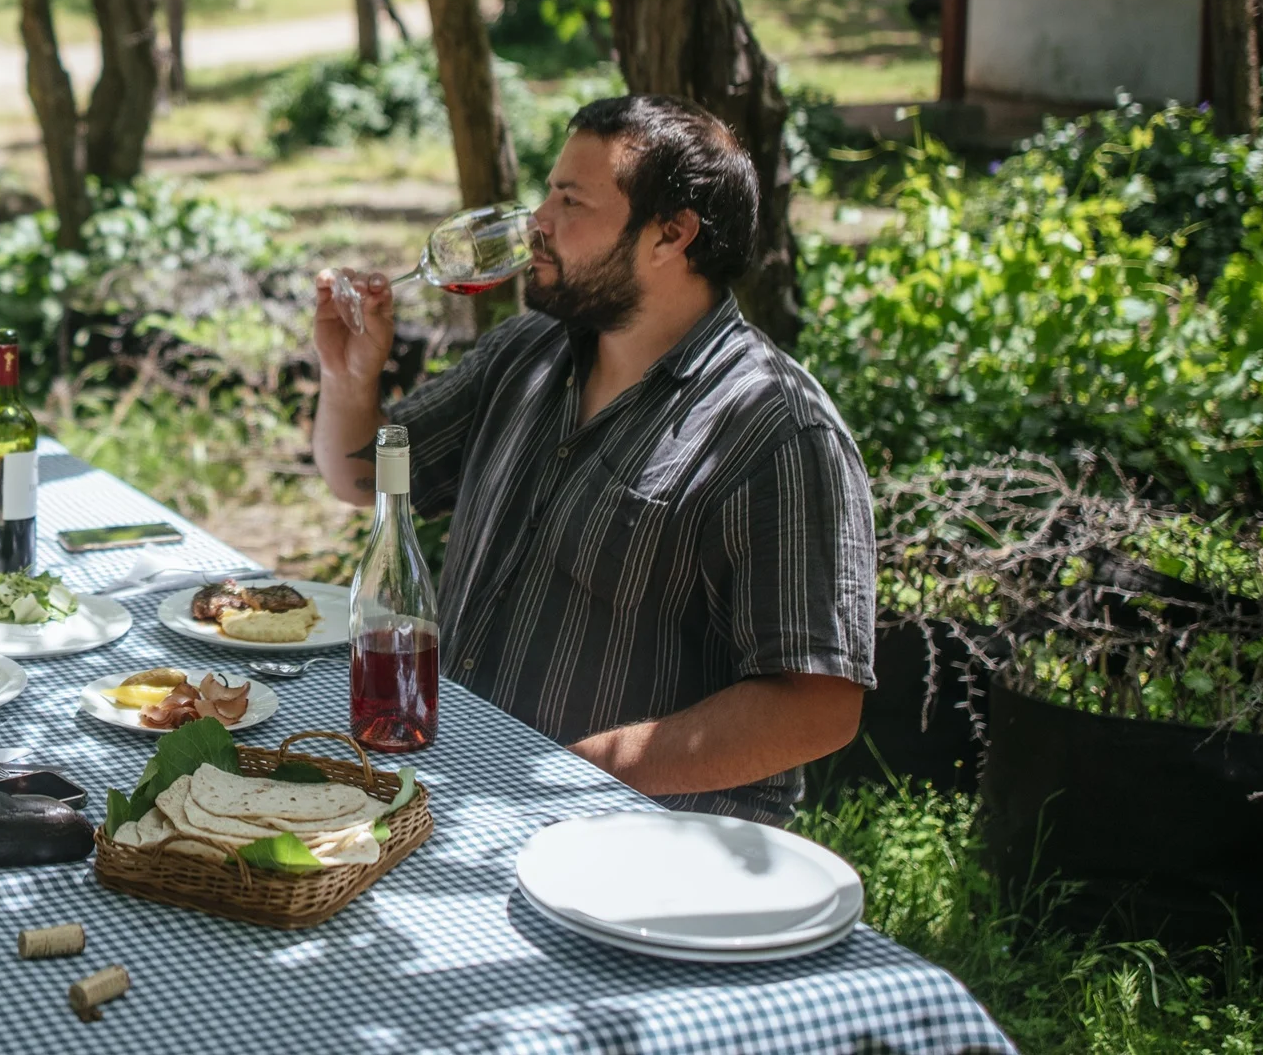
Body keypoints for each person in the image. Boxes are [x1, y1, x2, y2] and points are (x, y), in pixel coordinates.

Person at [313, 95, 876, 825]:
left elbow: (818, 708)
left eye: (570, 200)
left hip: (635, 847)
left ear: (671, 236)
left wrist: (574, 775)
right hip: (462, 797)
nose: (536, 220)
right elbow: (359, 477)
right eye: (548, 191)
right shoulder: (528, 354)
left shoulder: (778, 431)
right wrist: (348, 379)